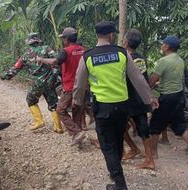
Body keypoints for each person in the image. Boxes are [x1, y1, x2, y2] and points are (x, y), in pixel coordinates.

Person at [73, 21, 158, 190]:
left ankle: (120, 184)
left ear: (97, 35)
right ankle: (115, 173)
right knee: (118, 140)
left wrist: (76, 101)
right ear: (111, 35)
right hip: (122, 108)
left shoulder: (88, 56)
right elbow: (138, 79)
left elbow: (79, 84)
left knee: (107, 145)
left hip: (103, 108)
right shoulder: (122, 53)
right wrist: (150, 98)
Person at [148, 35, 188, 167]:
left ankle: (153, 154)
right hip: (178, 97)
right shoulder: (180, 60)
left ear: (168, 46)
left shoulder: (164, 61)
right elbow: (173, 79)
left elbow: (152, 81)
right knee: (180, 126)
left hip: (167, 97)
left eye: (163, 44)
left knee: (154, 126)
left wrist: (151, 87)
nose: (161, 46)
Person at [0, 33, 63, 133]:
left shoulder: (25, 55)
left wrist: (6, 76)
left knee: (31, 100)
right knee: (53, 103)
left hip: (37, 83)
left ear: (29, 42)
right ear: (38, 41)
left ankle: (39, 121)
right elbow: (57, 60)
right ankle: (58, 127)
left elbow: (16, 68)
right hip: (50, 81)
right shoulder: (47, 49)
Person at [36, 27, 86, 145]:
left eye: (63, 38)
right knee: (77, 111)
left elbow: (55, 61)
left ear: (67, 39)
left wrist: (41, 59)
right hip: (83, 86)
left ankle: (77, 132)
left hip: (70, 87)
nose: (63, 40)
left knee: (60, 110)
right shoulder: (83, 50)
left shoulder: (66, 51)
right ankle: (77, 138)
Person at [121, 29, 155, 170]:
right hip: (141, 98)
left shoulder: (123, 58)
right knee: (143, 129)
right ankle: (149, 159)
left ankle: (133, 149)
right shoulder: (141, 58)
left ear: (126, 42)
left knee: (120, 127)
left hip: (128, 98)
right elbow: (143, 78)